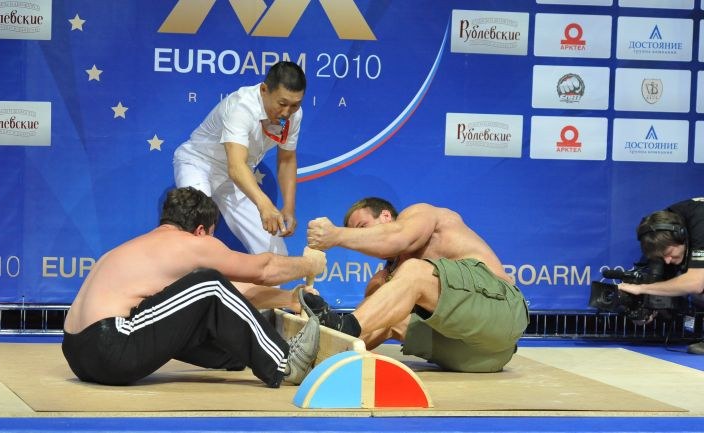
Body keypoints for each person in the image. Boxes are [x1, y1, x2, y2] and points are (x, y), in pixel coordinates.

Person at [62, 187, 326, 388]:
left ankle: (235, 356)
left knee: (203, 295)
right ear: (201, 230)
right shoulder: (192, 244)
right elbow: (263, 270)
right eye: (212, 234)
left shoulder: (138, 249)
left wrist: (289, 298)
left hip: (77, 355)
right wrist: (309, 264)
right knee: (209, 282)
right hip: (111, 347)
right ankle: (284, 362)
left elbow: (233, 294)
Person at [303, 197, 529, 373]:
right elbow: (376, 323)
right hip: (481, 357)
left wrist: (336, 236)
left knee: (413, 271)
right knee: (389, 317)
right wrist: (321, 338)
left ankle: (342, 326)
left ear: (385, 216)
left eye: (361, 226)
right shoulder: (389, 275)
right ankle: (320, 352)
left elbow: (398, 238)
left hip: (504, 313)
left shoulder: (420, 214)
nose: (359, 236)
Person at [173, 60, 306, 255]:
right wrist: (264, 204)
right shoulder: (241, 107)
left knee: (276, 253)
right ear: (264, 90)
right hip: (199, 164)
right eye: (282, 103)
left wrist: (288, 206)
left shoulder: (294, 115)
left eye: (295, 105)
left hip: (238, 176)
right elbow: (235, 166)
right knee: (197, 233)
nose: (287, 112)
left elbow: (286, 159)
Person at [618, 197, 704, 354]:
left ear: (681, 235)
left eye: (669, 253)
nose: (668, 260)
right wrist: (645, 309)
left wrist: (643, 289)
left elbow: (695, 283)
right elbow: (659, 282)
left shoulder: (700, 223)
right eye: (662, 257)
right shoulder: (661, 229)